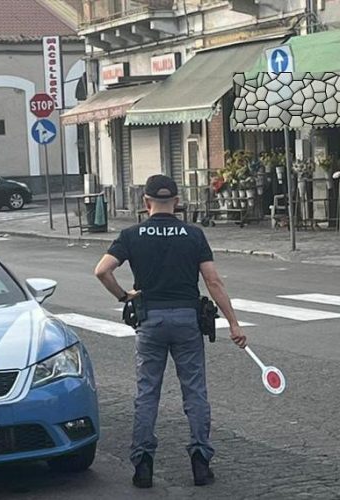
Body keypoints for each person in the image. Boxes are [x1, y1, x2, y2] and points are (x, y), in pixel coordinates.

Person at [94, 174, 247, 489]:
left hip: (150, 320)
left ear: (145, 202)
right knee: (195, 391)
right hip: (187, 320)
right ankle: (200, 462)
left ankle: (143, 465)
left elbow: (102, 270)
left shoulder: (131, 234)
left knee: (147, 392)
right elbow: (213, 281)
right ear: (177, 202)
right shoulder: (193, 234)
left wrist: (124, 296)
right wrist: (233, 322)